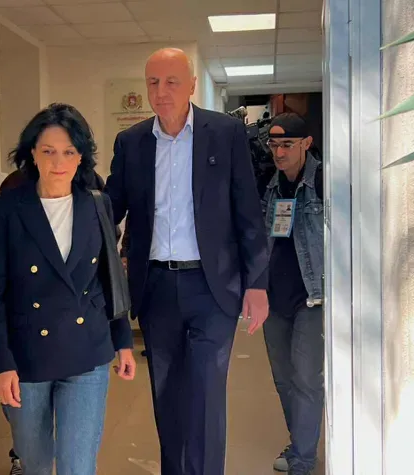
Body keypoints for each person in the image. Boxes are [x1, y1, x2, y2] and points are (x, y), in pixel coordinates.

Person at [104, 48, 269, 475]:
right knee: (168, 397)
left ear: (192, 85)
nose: (161, 92)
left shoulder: (225, 133)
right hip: (156, 287)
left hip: (212, 288)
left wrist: (256, 283)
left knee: (206, 397)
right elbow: (109, 210)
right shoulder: (132, 142)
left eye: (171, 82)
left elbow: (247, 210)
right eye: (153, 82)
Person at [0, 103, 137, 475]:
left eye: (68, 151)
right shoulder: (6, 208)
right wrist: (0, 365)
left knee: (77, 466)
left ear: (81, 157)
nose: (58, 162)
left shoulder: (97, 204)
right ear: (32, 153)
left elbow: (109, 278)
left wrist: (123, 340)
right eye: (48, 151)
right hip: (26, 358)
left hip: (87, 351)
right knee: (34, 464)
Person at [261, 113, 324, 475]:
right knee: (283, 379)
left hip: (311, 298)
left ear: (306, 144)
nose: (279, 153)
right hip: (274, 298)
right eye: (274, 145)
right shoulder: (270, 187)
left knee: (306, 379)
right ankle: (299, 442)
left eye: (287, 144)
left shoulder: (322, 182)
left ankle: (302, 459)